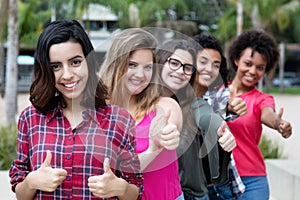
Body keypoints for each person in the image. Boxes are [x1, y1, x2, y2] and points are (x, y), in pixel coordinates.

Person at [9, 19, 143, 200]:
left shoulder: (120, 120)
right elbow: (21, 193)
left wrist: (120, 188)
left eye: (75, 62)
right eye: (55, 66)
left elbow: (135, 190)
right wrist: (32, 181)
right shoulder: (30, 118)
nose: (67, 75)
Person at [99, 28, 184, 200]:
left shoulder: (166, 106)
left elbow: (170, 127)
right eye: (132, 65)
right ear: (116, 65)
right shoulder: (98, 111)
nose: (140, 75)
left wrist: (166, 136)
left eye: (147, 68)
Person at [156, 38, 236, 200]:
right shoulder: (140, 101)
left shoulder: (193, 105)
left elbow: (209, 118)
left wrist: (224, 133)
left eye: (187, 68)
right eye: (174, 63)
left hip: (189, 196)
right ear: (161, 62)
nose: (180, 71)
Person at [226, 29, 293, 200]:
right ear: (236, 60)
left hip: (252, 181)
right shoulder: (217, 93)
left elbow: (268, 114)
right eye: (248, 64)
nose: (253, 71)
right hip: (219, 181)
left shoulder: (261, 99)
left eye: (260, 67)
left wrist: (279, 124)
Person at [192, 34, 247, 200]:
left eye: (215, 65)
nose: (209, 69)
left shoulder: (218, 96)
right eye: (203, 62)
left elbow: (227, 103)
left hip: (220, 188)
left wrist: (233, 106)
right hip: (190, 189)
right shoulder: (176, 98)